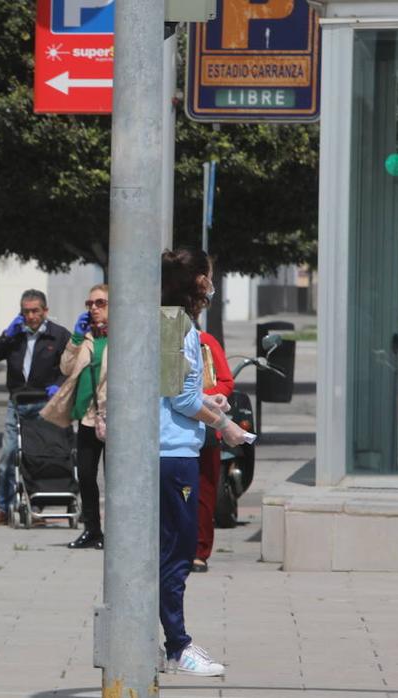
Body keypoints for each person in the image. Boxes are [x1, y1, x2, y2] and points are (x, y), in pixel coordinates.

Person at [158, 248, 248, 677]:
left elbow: (174, 390)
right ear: (195, 281)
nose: (213, 282)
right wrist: (224, 423)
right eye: (209, 275)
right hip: (172, 454)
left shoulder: (170, 322)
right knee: (178, 551)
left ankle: (169, 639)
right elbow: (181, 397)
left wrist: (206, 404)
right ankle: (177, 645)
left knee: (168, 550)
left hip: (167, 450)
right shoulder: (175, 325)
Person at [0, 289, 71, 526]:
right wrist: (6, 336)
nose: (30, 316)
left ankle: (36, 506)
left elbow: (71, 366)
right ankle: (3, 507)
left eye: (35, 311)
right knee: (9, 456)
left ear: (45, 311)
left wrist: (58, 385)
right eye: (26, 311)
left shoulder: (58, 335)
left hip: (46, 404)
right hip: (17, 403)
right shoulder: (15, 336)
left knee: (39, 457)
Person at [41, 284, 108, 549]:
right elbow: (67, 367)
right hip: (89, 417)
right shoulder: (88, 337)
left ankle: (117, 532)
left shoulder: (122, 337)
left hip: (113, 418)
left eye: (100, 303)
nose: (93, 308)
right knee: (87, 476)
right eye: (90, 303)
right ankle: (92, 530)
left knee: (115, 479)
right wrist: (77, 338)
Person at [194, 328, 234, 572]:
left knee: (204, 493)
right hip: (169, 430)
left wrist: (205, 397)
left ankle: (199, 551)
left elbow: (226, 381)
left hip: (205, 425)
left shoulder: (205, 342)